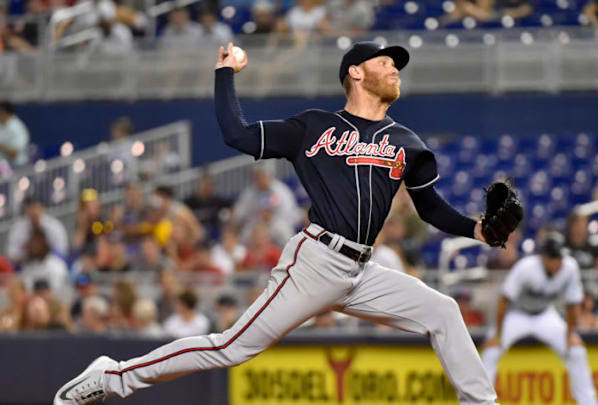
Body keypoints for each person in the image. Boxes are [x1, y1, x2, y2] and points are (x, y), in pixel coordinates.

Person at [54, 40, 524, 405]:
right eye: (384, 62)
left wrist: (478, 230)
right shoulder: (314, 126)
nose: (394, 68)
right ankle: (112, 376)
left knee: (442, 311)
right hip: (315, 262)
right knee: (231, 347)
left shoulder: (407, 141)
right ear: (355, 72)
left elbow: (429, 207)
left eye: (395, 64)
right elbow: (236, 133)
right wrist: (224, 74)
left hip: (364, 271)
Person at [481, 232, 598, 405]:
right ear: (543, 256)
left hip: (546, 315)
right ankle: (480, 402)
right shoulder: (526, 267)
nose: (558, 261)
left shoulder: (569, 267)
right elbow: (504, 300)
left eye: (560, 257)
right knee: (491, 351)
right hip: (518, 314)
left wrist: (570, 334)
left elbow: (573, 304)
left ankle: (589, 402)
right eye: (554, 257)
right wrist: (498, 335)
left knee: (576, 351)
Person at [7, 196, 69, 263]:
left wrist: (43, 252)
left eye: (37, 208)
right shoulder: (18, 228)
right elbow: (11, 254)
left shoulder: (54, 226)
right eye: (31, 208)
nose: (34, 212)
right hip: (25, 265)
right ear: (26, 210)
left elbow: (62, 250)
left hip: (51, 264)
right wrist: (27, 253)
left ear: (42, 209)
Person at [0, 101, 29, 167]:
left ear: (4, 112)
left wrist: (1, 146)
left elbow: (15, 153)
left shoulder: (17, 128)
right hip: (3, 165)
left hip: (18, 166)